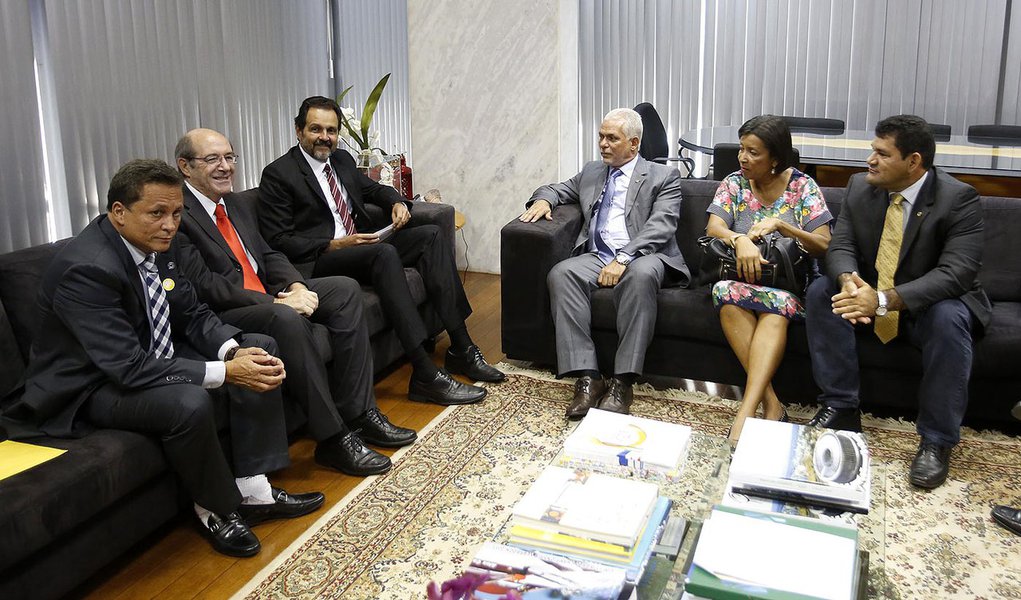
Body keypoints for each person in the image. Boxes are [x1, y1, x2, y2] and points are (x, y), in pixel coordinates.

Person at [0, 160, 324, 558]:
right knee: (187, 402)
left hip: (148, 354)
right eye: (156, 213)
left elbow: (190, 312)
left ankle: (254, 490)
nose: (170, 224)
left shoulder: (155, 246)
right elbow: (126, 366)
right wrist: (225, 371)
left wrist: (233, 352)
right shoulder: (87, 269)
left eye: (175, 213)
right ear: (118, 212)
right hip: (89, 384)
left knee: (258, 347)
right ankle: (216, 510)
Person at [173, 128, 416, 477]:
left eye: (229, 157)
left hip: (270, 294)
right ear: (185, 166)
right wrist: (276, 300)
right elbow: (205, 285)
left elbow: (268, 253)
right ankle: (333, 438)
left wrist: (296, 286)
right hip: (228, 310)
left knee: (345, 290)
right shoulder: (178, 215)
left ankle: (360, 412)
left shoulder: (235, 203)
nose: (225, 167)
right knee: (286, 319)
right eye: (213, 159)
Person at [258, 96, 502, 406]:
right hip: (321, 258)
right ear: (298, 131)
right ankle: (425, 375)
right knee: (384, 254)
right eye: (316, 129)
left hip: (359, 246)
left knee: (430, 235)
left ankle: (462, 348)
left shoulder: (342, 161)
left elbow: (374, 189)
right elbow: (278, 240)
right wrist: (334, 243)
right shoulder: (279, 174)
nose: (325, 137)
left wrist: (397, 202)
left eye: (331, 131)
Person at [805, 115, 990, 489]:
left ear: (913, 162)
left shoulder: (958, 199)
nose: (870, 160)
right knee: (822, 291)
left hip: (928, 302)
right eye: (872, 150)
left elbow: (956, 274)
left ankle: (937, 440)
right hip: (870, 293)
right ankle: (841, 406)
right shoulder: (860, 187)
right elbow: (841, 246)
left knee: (949, 317)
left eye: (881, 153)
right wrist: (848, 280)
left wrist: (885, 299)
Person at [519, 108, 687, 418]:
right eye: (601, 137)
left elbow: (662, 225)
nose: (603, 144)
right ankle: (588, 377)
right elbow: (556, 189)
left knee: (641, 276)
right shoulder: (593, 171)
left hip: (643, 256)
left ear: (634, 144)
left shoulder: (663, 176)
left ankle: (623, 382)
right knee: (562, 273)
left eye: (612, 138)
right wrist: (543, 200)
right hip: (598, 255)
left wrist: (624, 258)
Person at [704, 115, 832, 443]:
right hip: (739, 281)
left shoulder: (802, 187)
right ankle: (771, 405)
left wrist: (782, 225)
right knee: (726, 297)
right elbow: (713, 229)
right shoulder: (734, 182)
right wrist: (740, 239)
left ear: (775, 158)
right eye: (742, 150)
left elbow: (823, 244)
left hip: (787, 285)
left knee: (776, 310)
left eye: (753, 152)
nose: (743, 158)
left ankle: (746, 413)